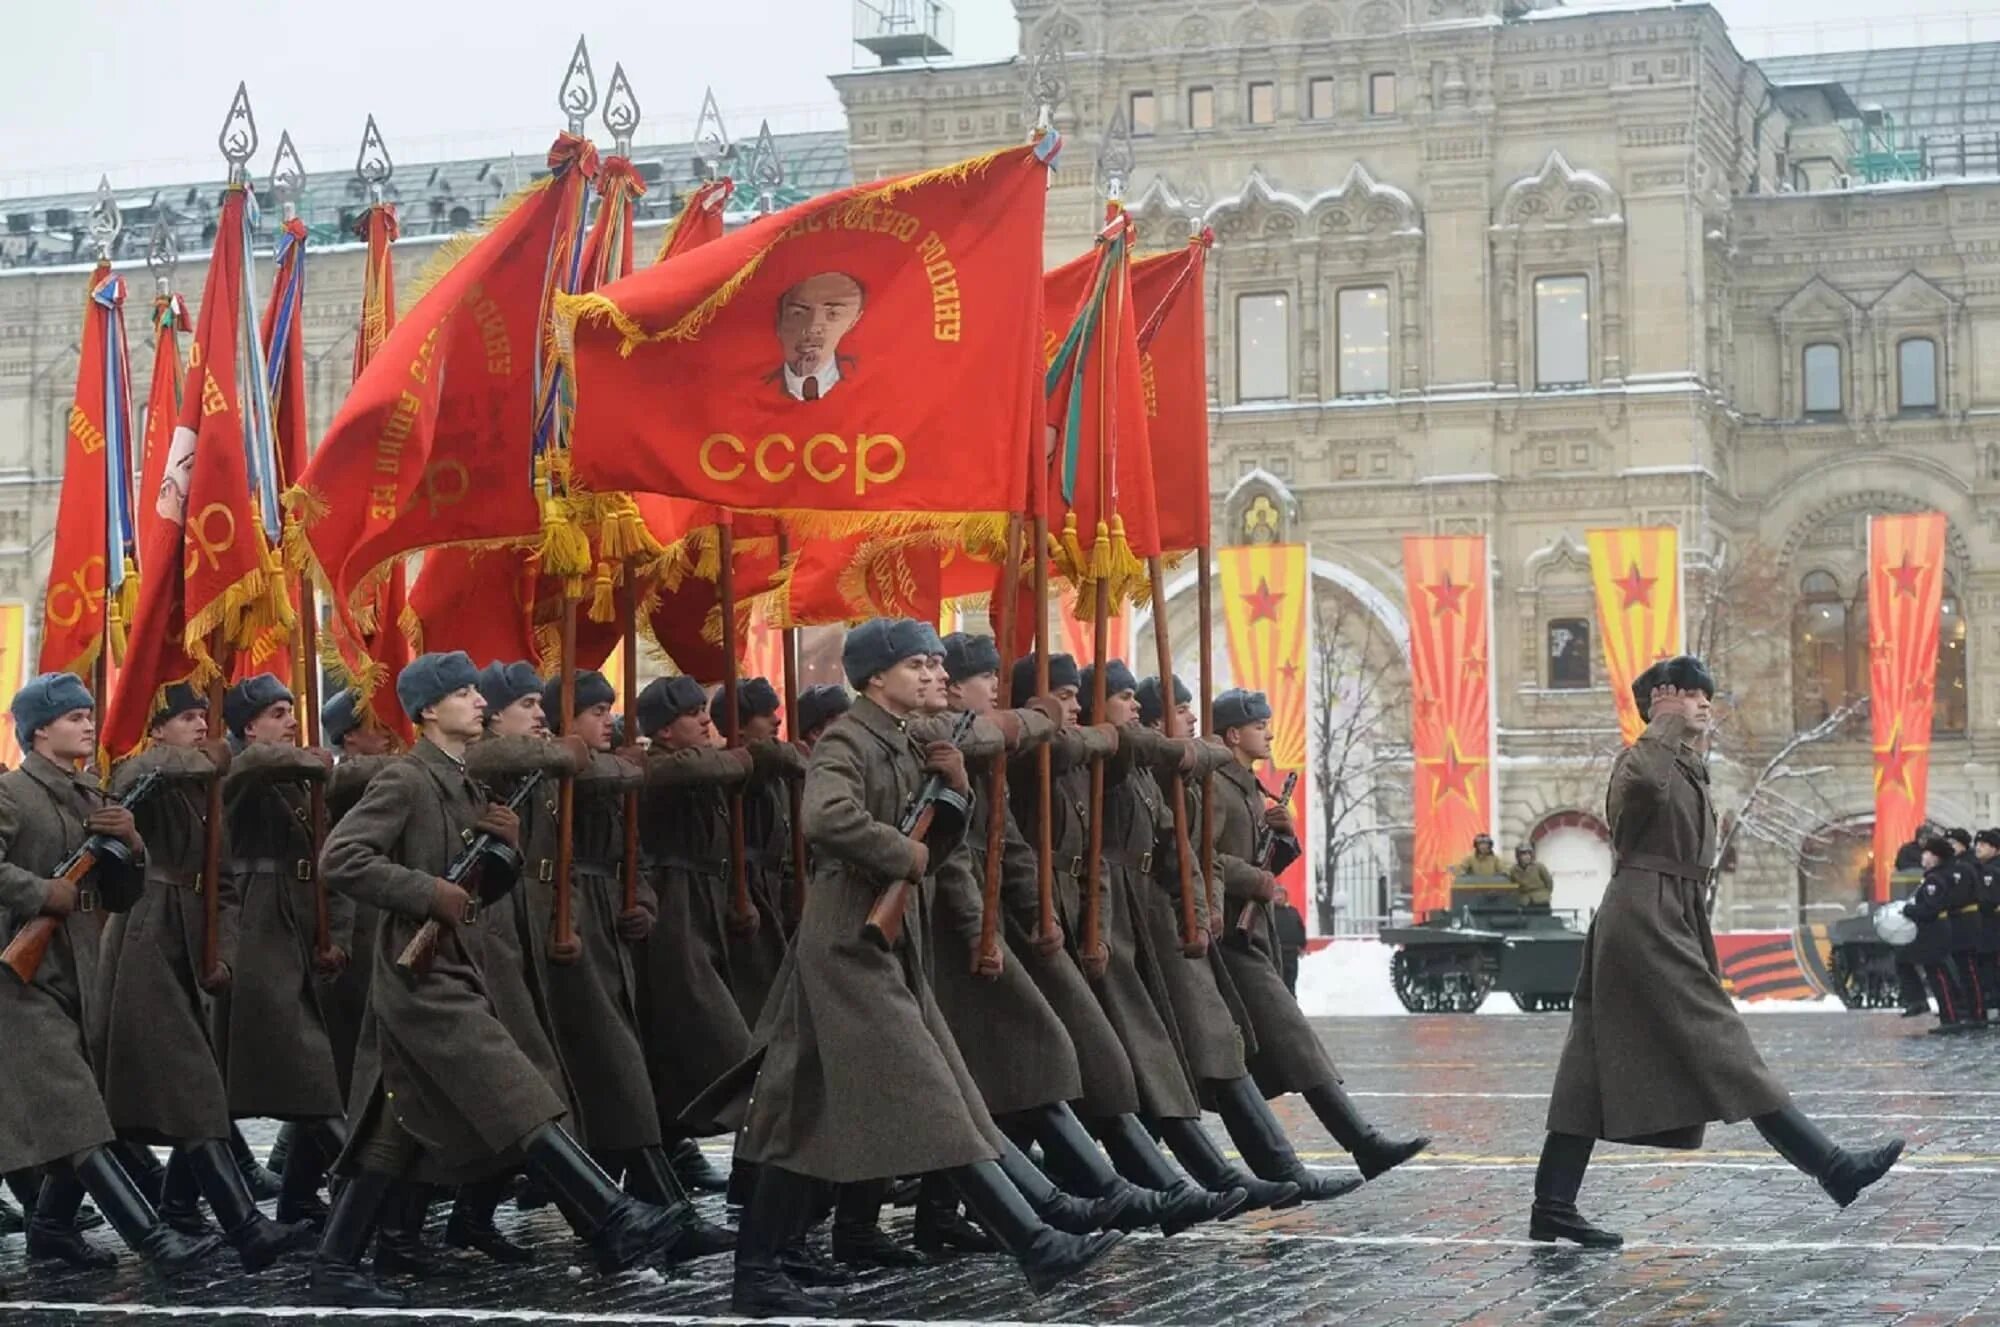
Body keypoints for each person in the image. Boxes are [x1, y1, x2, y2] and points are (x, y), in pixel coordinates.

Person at [701, 619, 1125, 1318]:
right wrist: (905, 854)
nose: (934, 674)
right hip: (849, 938)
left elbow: (937, 836)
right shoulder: (847, 738)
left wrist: (954, 794)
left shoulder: (904, 739)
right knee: (935, 1094)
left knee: (799, 1103)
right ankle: (1034, 1241)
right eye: (918, 665)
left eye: (936, 664)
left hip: (886, 940)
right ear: (875, 677)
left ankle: (758, 1267)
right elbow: (826, 816)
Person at [312, 651, 682, 1307]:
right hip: (419, 970)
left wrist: (501, 849)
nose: (478, 701)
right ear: (429, 710)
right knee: (518, 1093)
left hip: (457, 961)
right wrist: (427, 891)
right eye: (462, 693)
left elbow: (474, 878)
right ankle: (612, 1215)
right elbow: (340, 858)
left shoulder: (460, 781)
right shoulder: (406, 779)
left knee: (391, 1126)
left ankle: (337, 1260)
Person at [1536, 655, 1904, 1248]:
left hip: (1670, 911)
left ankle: (1551, 1205)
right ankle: (1833, 1168)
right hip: (1644, 915)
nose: (1705, 702)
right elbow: (1638, 793)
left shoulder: (1688, 767)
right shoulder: (1641, 758)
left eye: (1708, 694)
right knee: (1721, 1042)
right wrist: (1659, 724)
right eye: (1690, 693)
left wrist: (1683, 733)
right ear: (1660, 699)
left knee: (1591, 1064)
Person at [0, 672, 222, 1279]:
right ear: (40, 729)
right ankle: (155, 1241)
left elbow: (121, 895)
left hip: (81, 973)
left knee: (83, 1109)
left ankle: (49, 1230)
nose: (88, 724)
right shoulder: (11, 795)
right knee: (77, 1118)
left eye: (89, 714)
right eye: (74, 717)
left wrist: (133, 844)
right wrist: (44, 891)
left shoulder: (93, 798)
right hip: (20, 981)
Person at [533, 669, 735, 1264]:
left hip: (606, 928)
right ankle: (653, 1214)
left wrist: (640, 901)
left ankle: (642, 1214)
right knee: (607, 1075)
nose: (607, 721)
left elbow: (633, 854)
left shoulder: (609, 770)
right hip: (563, 931)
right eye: (593, 712)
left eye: (608, 710)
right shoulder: (542, 772)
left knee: (614, 1077)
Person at [1206, 687, 1429, 1191]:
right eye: (1259, 724)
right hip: (1227, 936)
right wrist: (1254, 880)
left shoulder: (1248, 787)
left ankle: (1340, 1152)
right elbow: (1203, 858)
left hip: (1251, 934)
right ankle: (1359, 1144)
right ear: (1232, 735)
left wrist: (1283, 836)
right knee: (1291, 1038)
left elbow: (1264, 858)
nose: (1268, 731)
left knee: (1270, 1049)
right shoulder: (1216, 788)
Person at [214, 674, 352, 1231]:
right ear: (249, 726)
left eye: (291, 710)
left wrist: (332, 933)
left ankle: (291, 1196)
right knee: (306, 1067)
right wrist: (306, 762)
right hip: (259, 925)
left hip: (299, 917)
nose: (292, 721)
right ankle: (365, 1182)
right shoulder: (247, 773)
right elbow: (244, 770)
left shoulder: (299, 780)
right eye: (277, 713)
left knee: (255, 1083)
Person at [709, 677, 798, 1019]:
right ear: (739, 727)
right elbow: (766, 753)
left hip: (772, 889)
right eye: (765, 714)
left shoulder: (775, 769)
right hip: (747, 892)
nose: (776, 720)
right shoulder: (738, 765)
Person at [1904, 837, 1968, 1034]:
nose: (1923, 857)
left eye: (1927, 853)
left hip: (1934, 931)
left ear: (1935, 857)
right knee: (1939, 975)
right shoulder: (1937, 876)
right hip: (1937, 930)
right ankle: (1950, 1016)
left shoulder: (1935, 880)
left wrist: (1909, 910)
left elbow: (1930, 909)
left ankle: (1950, 1017)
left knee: (1938, 976)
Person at [770, 272, 864, 401]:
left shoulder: (865, 384)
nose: (812, 327)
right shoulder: (749, 388)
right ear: (779, 321)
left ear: (853, 322)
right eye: (798, 313)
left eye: (833, 314)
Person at [1942, 828, 1987, 1026]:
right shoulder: (1954, 865)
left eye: (1953, 843)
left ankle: (1978, 1011)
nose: (1950, 847)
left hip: (1966, 923)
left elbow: (1959, 895)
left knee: (1969, 969)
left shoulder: (1967, 865)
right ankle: (1965, 1007)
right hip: (1956, 924)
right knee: (1960, 969)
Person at [1273, 889, 1307, 995]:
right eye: (1276, 894)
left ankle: (1292, 1004)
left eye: (1281, 894)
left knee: (1291, 980)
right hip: (1276, 952)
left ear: (1286, 897)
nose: (1279, 897)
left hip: (1292, 952)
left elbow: (1300, 929)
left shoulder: (1293, 911)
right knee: (1278, 981)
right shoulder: (1270, 912)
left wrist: (1302, 946)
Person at [1510, 845, 1555, 909]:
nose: (1527, 856)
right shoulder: (1514, 870)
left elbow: (1549, 882)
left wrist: (1545, 894)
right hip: (1525, 901)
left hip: (1541, 900)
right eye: (1524, 854)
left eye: (1529, 853)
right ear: (1518, 856)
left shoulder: (1539, 866)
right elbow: (1513, 885)